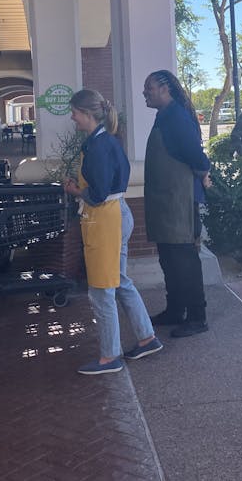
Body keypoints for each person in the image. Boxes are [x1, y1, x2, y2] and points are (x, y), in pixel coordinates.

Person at [63, 89, 161, 375]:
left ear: (88, 114)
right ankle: (146, 337)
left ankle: (110, 357)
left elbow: (98, 192)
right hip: (117, 213)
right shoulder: (106, 141)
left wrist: (75, 190)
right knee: (119, 281)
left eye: (75, 112)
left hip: (104, 218)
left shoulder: (98, 146)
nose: (73, 117)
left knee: (101, 289)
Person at [142, 69, 212, 337]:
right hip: (164, 201)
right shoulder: (164, 116)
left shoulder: (177, 117)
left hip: (179, 202)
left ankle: (197, 316)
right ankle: (175, 310)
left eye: (149, 87)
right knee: (169, 259)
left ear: (165, 88)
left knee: (184, 260)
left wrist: (204, 172)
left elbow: (196, 156)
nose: (144, 92)